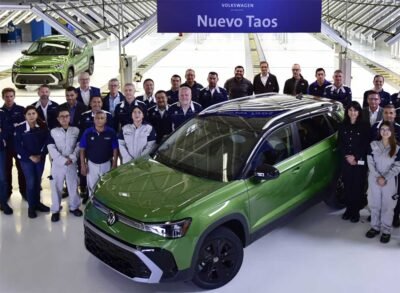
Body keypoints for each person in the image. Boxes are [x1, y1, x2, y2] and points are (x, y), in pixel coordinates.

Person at [366, 121, 400, 243]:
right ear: (379, 131)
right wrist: (377, 177)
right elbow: (370, 162)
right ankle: (374, 227)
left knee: (388, 206)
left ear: (391, 132)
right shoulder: (373, 145)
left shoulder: (397, 148)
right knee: (374, 204)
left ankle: (386, 230)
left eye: (387, 129)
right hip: (374, 179)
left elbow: (397, 167)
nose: (385, 132)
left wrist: (385, 177)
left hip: (389, 181)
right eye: (382, 129)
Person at [14, 106, 50, 218]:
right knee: (31, 182)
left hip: (40, 158)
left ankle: (38, 203)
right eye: (28, 114)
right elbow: (17, 146)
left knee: (37, 181)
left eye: (33, 113)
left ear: (37, 114)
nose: (31, 116)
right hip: (26, 160)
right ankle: (31, 207)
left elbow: (47, 142)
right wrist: (30, 156)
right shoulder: (19, 128)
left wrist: (41, 154)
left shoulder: (43, 126)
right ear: (25, 116)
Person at [47, 108, 82, 222]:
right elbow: (51, 148)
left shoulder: (76, 130)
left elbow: (78, 146)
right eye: (61, 116)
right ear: (58, 119)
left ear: (69, 117)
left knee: (72, 186)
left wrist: (71, 158)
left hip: (72, 163)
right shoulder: (53, 131)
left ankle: (74, 207)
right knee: (56, 187)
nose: (64, 118)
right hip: (58, 164)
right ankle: (56, 210)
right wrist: (62, 160)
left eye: (66, 116)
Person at [338, 101, 369, 223]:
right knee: (347, 186)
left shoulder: (365, 125)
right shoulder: (342, 125)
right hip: (346, 161)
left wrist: (355, 157)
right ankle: (348, 209)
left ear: (359, 112)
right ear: (347, 112)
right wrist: (347, 156)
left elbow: (365, 144)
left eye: (355, 110)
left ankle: (355, 211)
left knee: (358, 186)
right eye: (350, 110)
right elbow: (340, 143)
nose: (353, 113)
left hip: (359, 162)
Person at [80, 111, 118, 197]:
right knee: (92, 187)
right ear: (93, 119)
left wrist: (115, 163)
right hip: (91, 164)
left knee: (106, 186)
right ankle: (92, 205)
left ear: (105, 120)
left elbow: (115, 149)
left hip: (107, 163)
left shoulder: (111, 132)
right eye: (97, 118)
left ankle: (105, 208)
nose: (99, 120)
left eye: (102, 118)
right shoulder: (88, 132)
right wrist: (82, 164)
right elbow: (82, 149)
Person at [1, 88, 26, 201]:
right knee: (6, 170)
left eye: (11, 96)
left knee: (22, 169)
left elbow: (24, 127)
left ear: (14, 96)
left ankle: (24, 191)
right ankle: (7, 192)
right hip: (4, 146)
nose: (9, 98)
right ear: (3, 98)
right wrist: (13, 127)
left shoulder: (21, 110)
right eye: (7, 96)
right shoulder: (0, 112)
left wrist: (8, 129)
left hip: (18, 145)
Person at [0, 108, 10, 214]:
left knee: (2, 178)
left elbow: (7, 131)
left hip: (0, 150)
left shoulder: (1, 114)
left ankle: (3, 202)